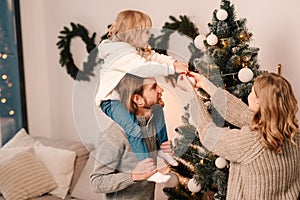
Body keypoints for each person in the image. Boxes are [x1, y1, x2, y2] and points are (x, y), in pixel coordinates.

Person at [95, 9, 187, 178]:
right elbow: (144, 67)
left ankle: (161, 148)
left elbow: (155, 57)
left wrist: (174, 62)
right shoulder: (120, 53)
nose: (149, 36)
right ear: (133, 34)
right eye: (146, 32)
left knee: (157, 108)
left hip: (122, 98)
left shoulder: (136, 50)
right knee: (134, 129)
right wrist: (171, 69)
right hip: (110, 100)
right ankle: (147, 167)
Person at [186, 71, 300, 199]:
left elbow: (209, 134)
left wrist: (191, 95)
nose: (249, 95)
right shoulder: (295, 135)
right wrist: (206, 85)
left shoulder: (251, 142)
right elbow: (241, 114)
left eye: (252, 92)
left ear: (259, 102)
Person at [91, 74, 175, 200]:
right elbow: (96, 182)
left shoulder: (152, 123)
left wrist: (165, 149)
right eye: (154, 87)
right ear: (138, 99)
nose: (160, 90)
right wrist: (133, 175)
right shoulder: (113, 135)